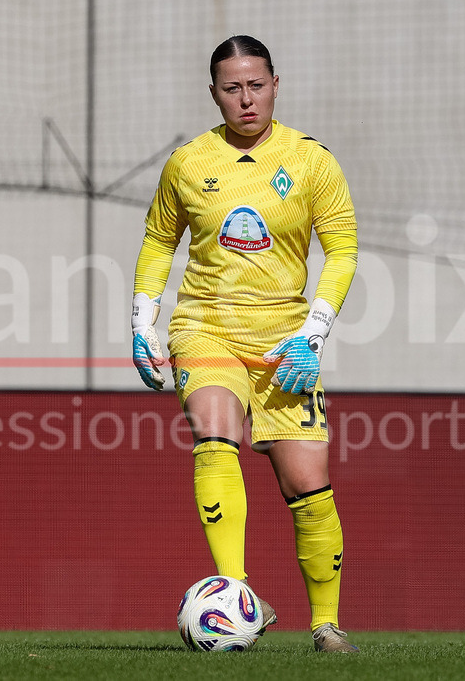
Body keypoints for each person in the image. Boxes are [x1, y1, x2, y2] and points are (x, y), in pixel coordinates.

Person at [131, 36, 359, 653]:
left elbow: (342, 250)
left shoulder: (311, 160)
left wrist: (312, 334)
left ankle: (326, 625)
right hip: (205, 325)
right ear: (214, 94)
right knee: (214, 435)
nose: (245, 98)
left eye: (256, 85)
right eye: (231, 88)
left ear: (276, 84)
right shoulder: (188, 162)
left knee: (308, 487)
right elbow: (159, 241)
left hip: (286, 338)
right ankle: (234, 594)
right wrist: (142, 321)